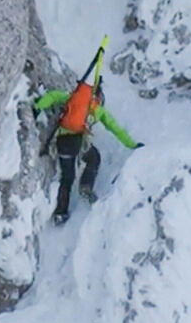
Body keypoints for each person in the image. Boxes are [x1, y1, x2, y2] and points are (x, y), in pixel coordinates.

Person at [33, 84, 142, 224]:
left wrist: (38, 107)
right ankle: (86, 186)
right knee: (94, 158)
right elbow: (115, 128)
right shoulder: (98, 110)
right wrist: (131, 144)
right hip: (78, 144)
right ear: (100, 98)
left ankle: (60, 213)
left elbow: (53, 96)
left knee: (67, 178)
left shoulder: (72, 98)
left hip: (62, 142)